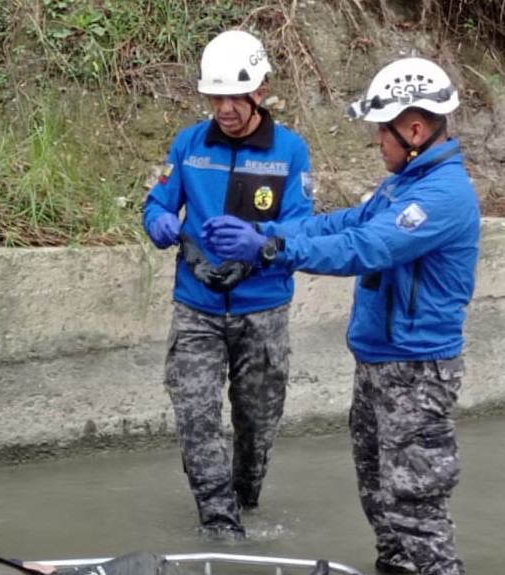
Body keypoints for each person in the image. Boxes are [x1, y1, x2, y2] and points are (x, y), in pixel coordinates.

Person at [203, 57, 478, 575]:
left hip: (417, 374)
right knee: (382, 502)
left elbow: (364, 247)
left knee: (416, 512)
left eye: (383, 130)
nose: (377, 141)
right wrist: (271, 234)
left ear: (415, 128)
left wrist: (267, 251)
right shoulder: (403, 186)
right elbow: (344, 222)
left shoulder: (440, 196)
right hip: (380, 365)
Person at [142, 29, 314, 538]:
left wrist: (258, 238)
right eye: (214, 97)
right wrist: (159, 222)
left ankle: (246, 494)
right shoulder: (189, 145)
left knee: (257, 422)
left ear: (259, 90)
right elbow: (157, 202)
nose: (224, 109)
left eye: (232, 97)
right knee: (195, 412)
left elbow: (303, 228)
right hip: (197, 304)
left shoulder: (291, 151)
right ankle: (220, 524)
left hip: (262, 307)